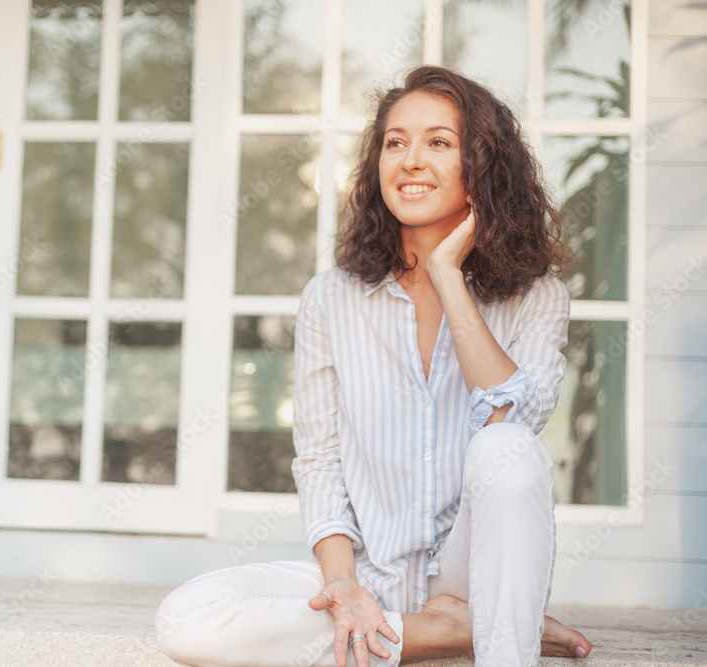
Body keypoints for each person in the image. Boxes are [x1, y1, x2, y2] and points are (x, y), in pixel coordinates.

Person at [155, 65, 594, 667]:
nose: (411, 160)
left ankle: (485, 629)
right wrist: (342, 589)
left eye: (439, 142)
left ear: (487, 167)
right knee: (191, 620)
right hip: (368, 575)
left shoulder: (538, 298)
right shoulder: (331, 298)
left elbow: (512, 416)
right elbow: (319, 458)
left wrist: (447, 274)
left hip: (468, 571)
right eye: (395, 142)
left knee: (507, 449)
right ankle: (462, 631)